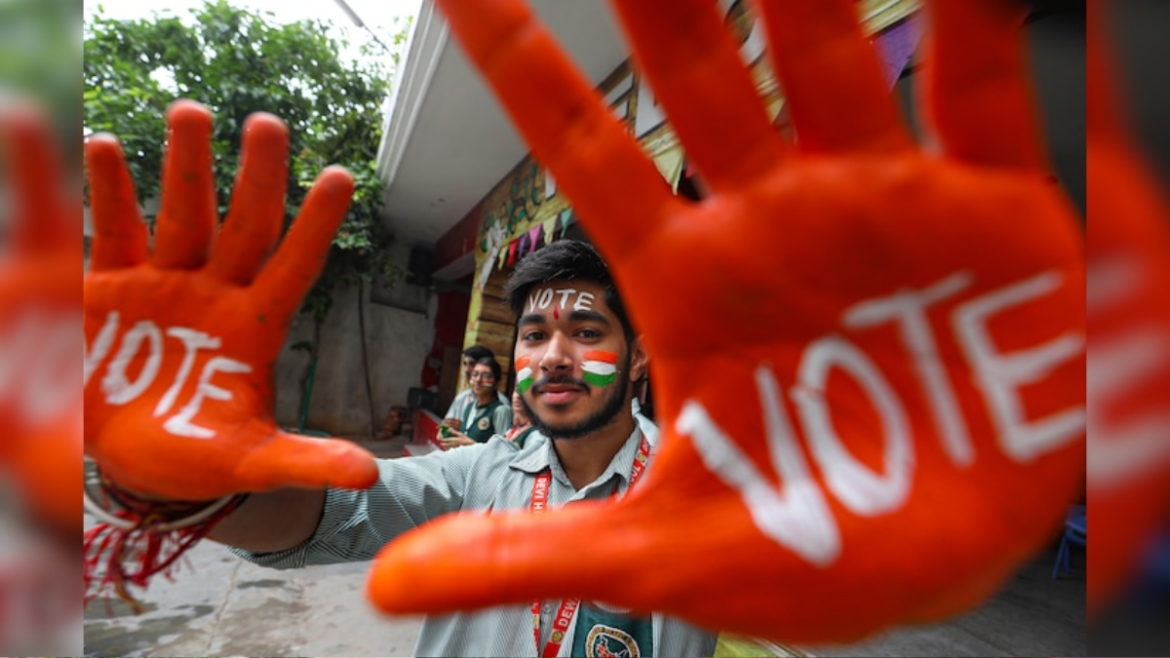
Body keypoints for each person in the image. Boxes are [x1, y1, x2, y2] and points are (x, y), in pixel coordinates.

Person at [191, 240, 716, 657]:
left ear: (639, 357)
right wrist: (192, 480)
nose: (554, 357)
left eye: (584, 331)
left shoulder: (710, 489)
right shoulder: (475, 476)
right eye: (534, 336)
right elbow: (327, 510)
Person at [437, 356, 511, 448]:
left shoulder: (501, 410)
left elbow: (504, 450)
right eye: (475, 374)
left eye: (486, 376)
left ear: (497, 382)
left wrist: (471, 444)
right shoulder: (470, 407)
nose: (478, 380)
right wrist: (447, 434)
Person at [442, 345, 508, 431]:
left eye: (472, 364)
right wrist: (444, 429)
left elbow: (502, 443)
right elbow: (445, 430)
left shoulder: (502, 405)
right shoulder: (462, 398)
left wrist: (465, 430)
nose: (466, 370)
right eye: (465, 364)